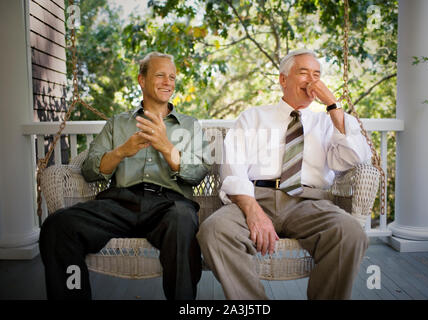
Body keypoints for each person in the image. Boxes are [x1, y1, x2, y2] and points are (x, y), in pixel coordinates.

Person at [197, 49, 372, 300]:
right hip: (255, 197)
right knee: (214, 231)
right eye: (303, 73)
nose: (312, 81)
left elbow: (356, 157)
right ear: (283, 79)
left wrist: (333, 106)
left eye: (317, 75)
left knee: (351, 232)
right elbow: (232, 169)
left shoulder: (327, 124)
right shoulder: (252, 117)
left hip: (308, 202)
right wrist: (253, 211)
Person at [39, 52, 210, 300]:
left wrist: (166, 146)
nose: (168, 82)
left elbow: (198, 173)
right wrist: (121, 152)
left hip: (170, 206)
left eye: (172, 77)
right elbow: (89, 170)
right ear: (141, 80)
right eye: (160, 75)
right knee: (58, 226)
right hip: (120, 203)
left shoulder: (190, 126)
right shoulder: (117, 124)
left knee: (183, 220)